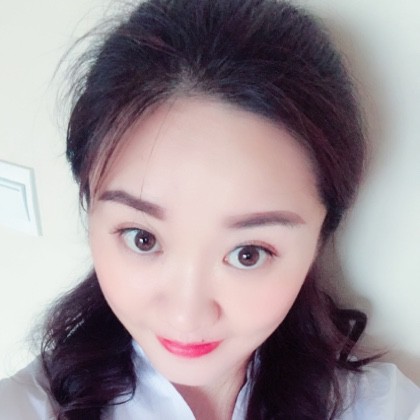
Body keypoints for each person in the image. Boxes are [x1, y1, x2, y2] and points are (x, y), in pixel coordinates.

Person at [0, 0, 419, 419]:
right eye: (142, 238)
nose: (186, 315)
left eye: (248, 254)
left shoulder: (380, 406)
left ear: (320, 234)